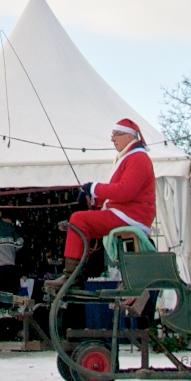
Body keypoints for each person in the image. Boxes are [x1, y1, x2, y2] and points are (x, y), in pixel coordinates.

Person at [45, 119, 155, 294]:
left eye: (116, 135)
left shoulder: (137, 158)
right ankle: (79, 272)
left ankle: (72, 275)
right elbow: (121, 194)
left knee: (78, 220)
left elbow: (125, 191)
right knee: (81, 222)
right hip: (128, 212)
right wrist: (95, 200)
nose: (112, 139)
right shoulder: (131, 157)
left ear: (129, 136)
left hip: (132, 215)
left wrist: (94, 188)